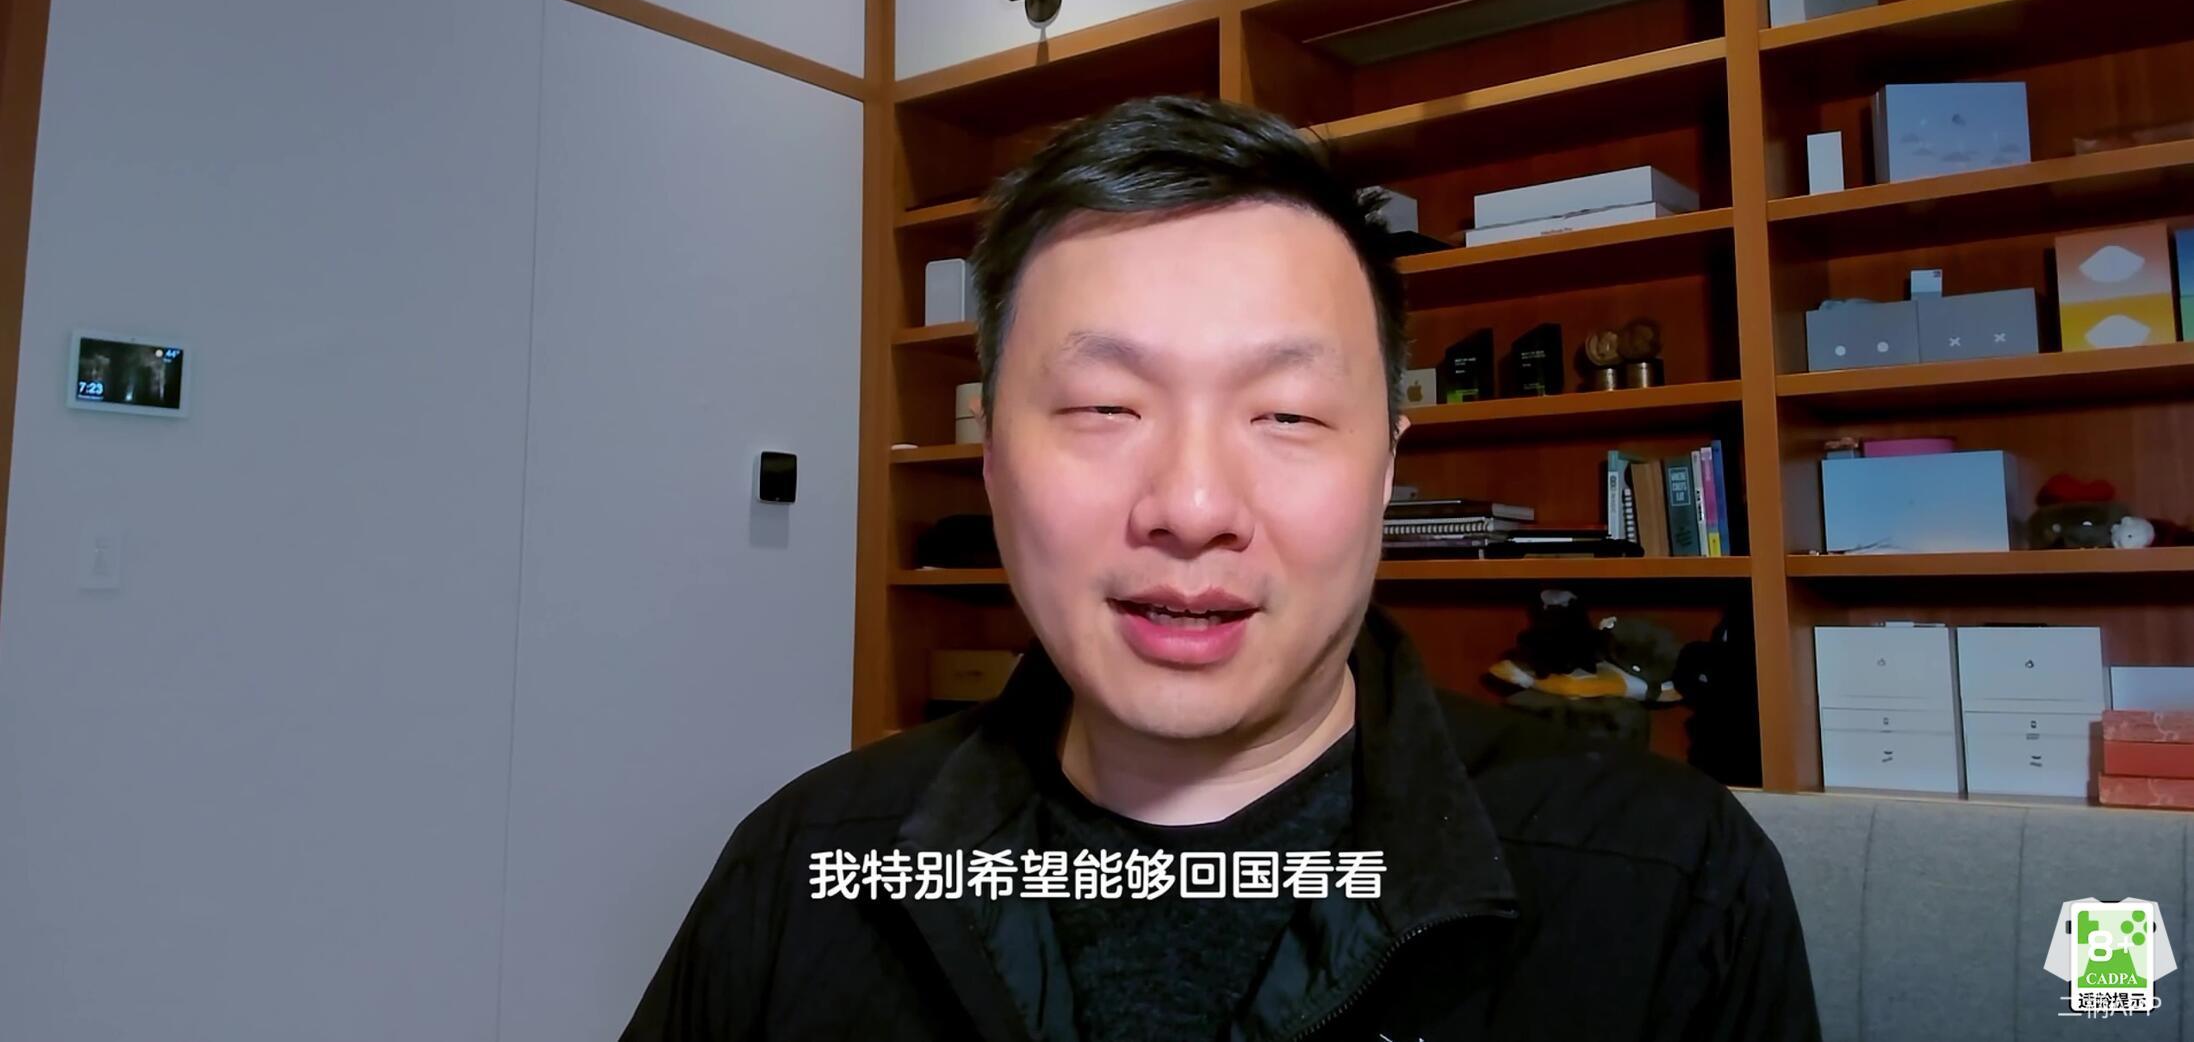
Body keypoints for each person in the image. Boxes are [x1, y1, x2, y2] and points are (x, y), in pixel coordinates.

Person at [621, 95, 1821, 1041]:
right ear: (989, 464)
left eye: (1287, 414)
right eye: (1103, 406)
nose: (1192, 508)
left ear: (1387, 466)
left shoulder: (1664, 888)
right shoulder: (804, 872)